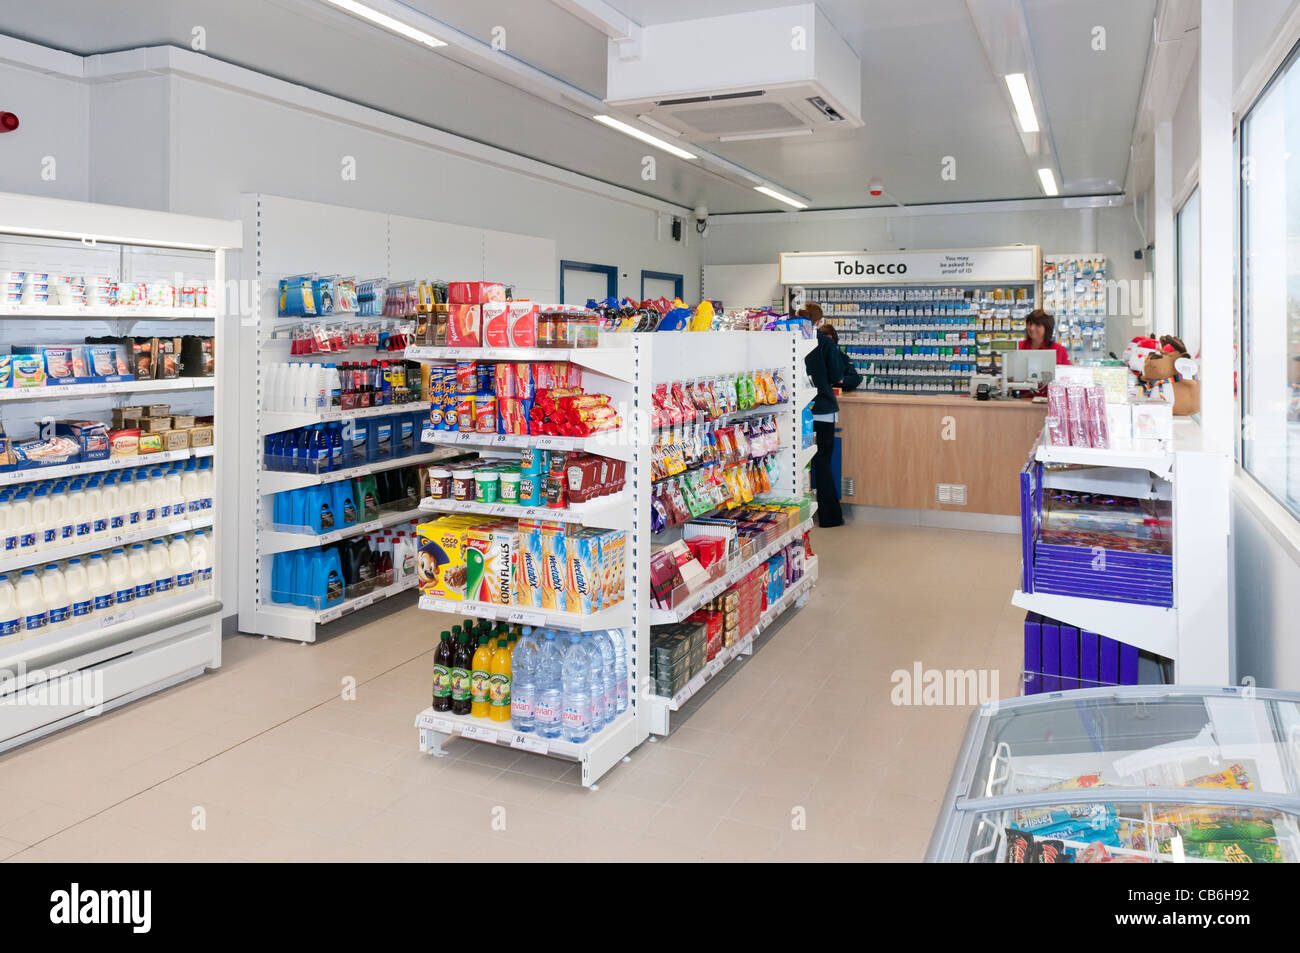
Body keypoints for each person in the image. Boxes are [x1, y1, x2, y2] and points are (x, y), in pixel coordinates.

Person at [798, 303, 845, 527]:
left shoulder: (791, 340)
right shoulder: (824, 342)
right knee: (823, 463)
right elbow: (836, 374)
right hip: (823, 411)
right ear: (819, 321)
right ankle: (829, 517)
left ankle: (798, 516)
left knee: (800, 463)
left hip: (799, 413)